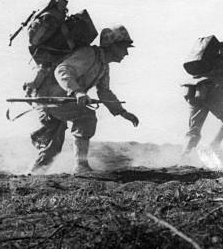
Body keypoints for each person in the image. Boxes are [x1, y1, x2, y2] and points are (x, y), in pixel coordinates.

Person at [29, 25, 140, 174]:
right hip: (50, 99)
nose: (126, 53)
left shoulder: (103, 65)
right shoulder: (89, 54)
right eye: (123, 47)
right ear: (112, 46)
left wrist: (122, 112)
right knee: (85, 117)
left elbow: (104, 92)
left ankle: (32, 177)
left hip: (61, 103)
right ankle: (80, 166)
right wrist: (77, 92)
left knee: (51, 151)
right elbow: (62, 70)